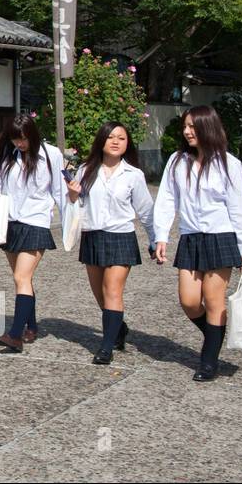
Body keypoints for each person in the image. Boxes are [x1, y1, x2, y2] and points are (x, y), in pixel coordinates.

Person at [152, 105, 242, 382]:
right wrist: (160, 235)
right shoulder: (177, 161)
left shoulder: (229, 164)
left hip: (221, 238)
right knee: (188, 301)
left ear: (208, 127)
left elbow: (238, 209)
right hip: (190, 238)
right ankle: (214, 334)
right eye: (185, 126)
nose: (186, 132)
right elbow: (166, 200)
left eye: (193, 127)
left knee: (213, 299)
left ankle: (208, 361)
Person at [0, 113, 70, 352]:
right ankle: (32, 326)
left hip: (36, 221)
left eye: (24, 139)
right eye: (15, 139)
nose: (19, 144)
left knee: (21, 277)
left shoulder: (51, 155)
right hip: (10, 221)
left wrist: (69, 225)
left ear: (33, 135)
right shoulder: (8, 153)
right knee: (23, 279)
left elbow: (59, 191)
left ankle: (15, 336)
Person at [66, 122, 156, 365]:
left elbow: (146, 210)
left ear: (128, 144)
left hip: (120, 236)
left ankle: (106, 348)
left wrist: (155, 239)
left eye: (122, 138)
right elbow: (74, 205)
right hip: (93, 236)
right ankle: (119, 328)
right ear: (102, 141)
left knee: (113, 291)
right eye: (111, 137)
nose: (116, 141)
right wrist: (72, 194)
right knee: (101, 296)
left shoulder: (133, 175)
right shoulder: (85, 169)